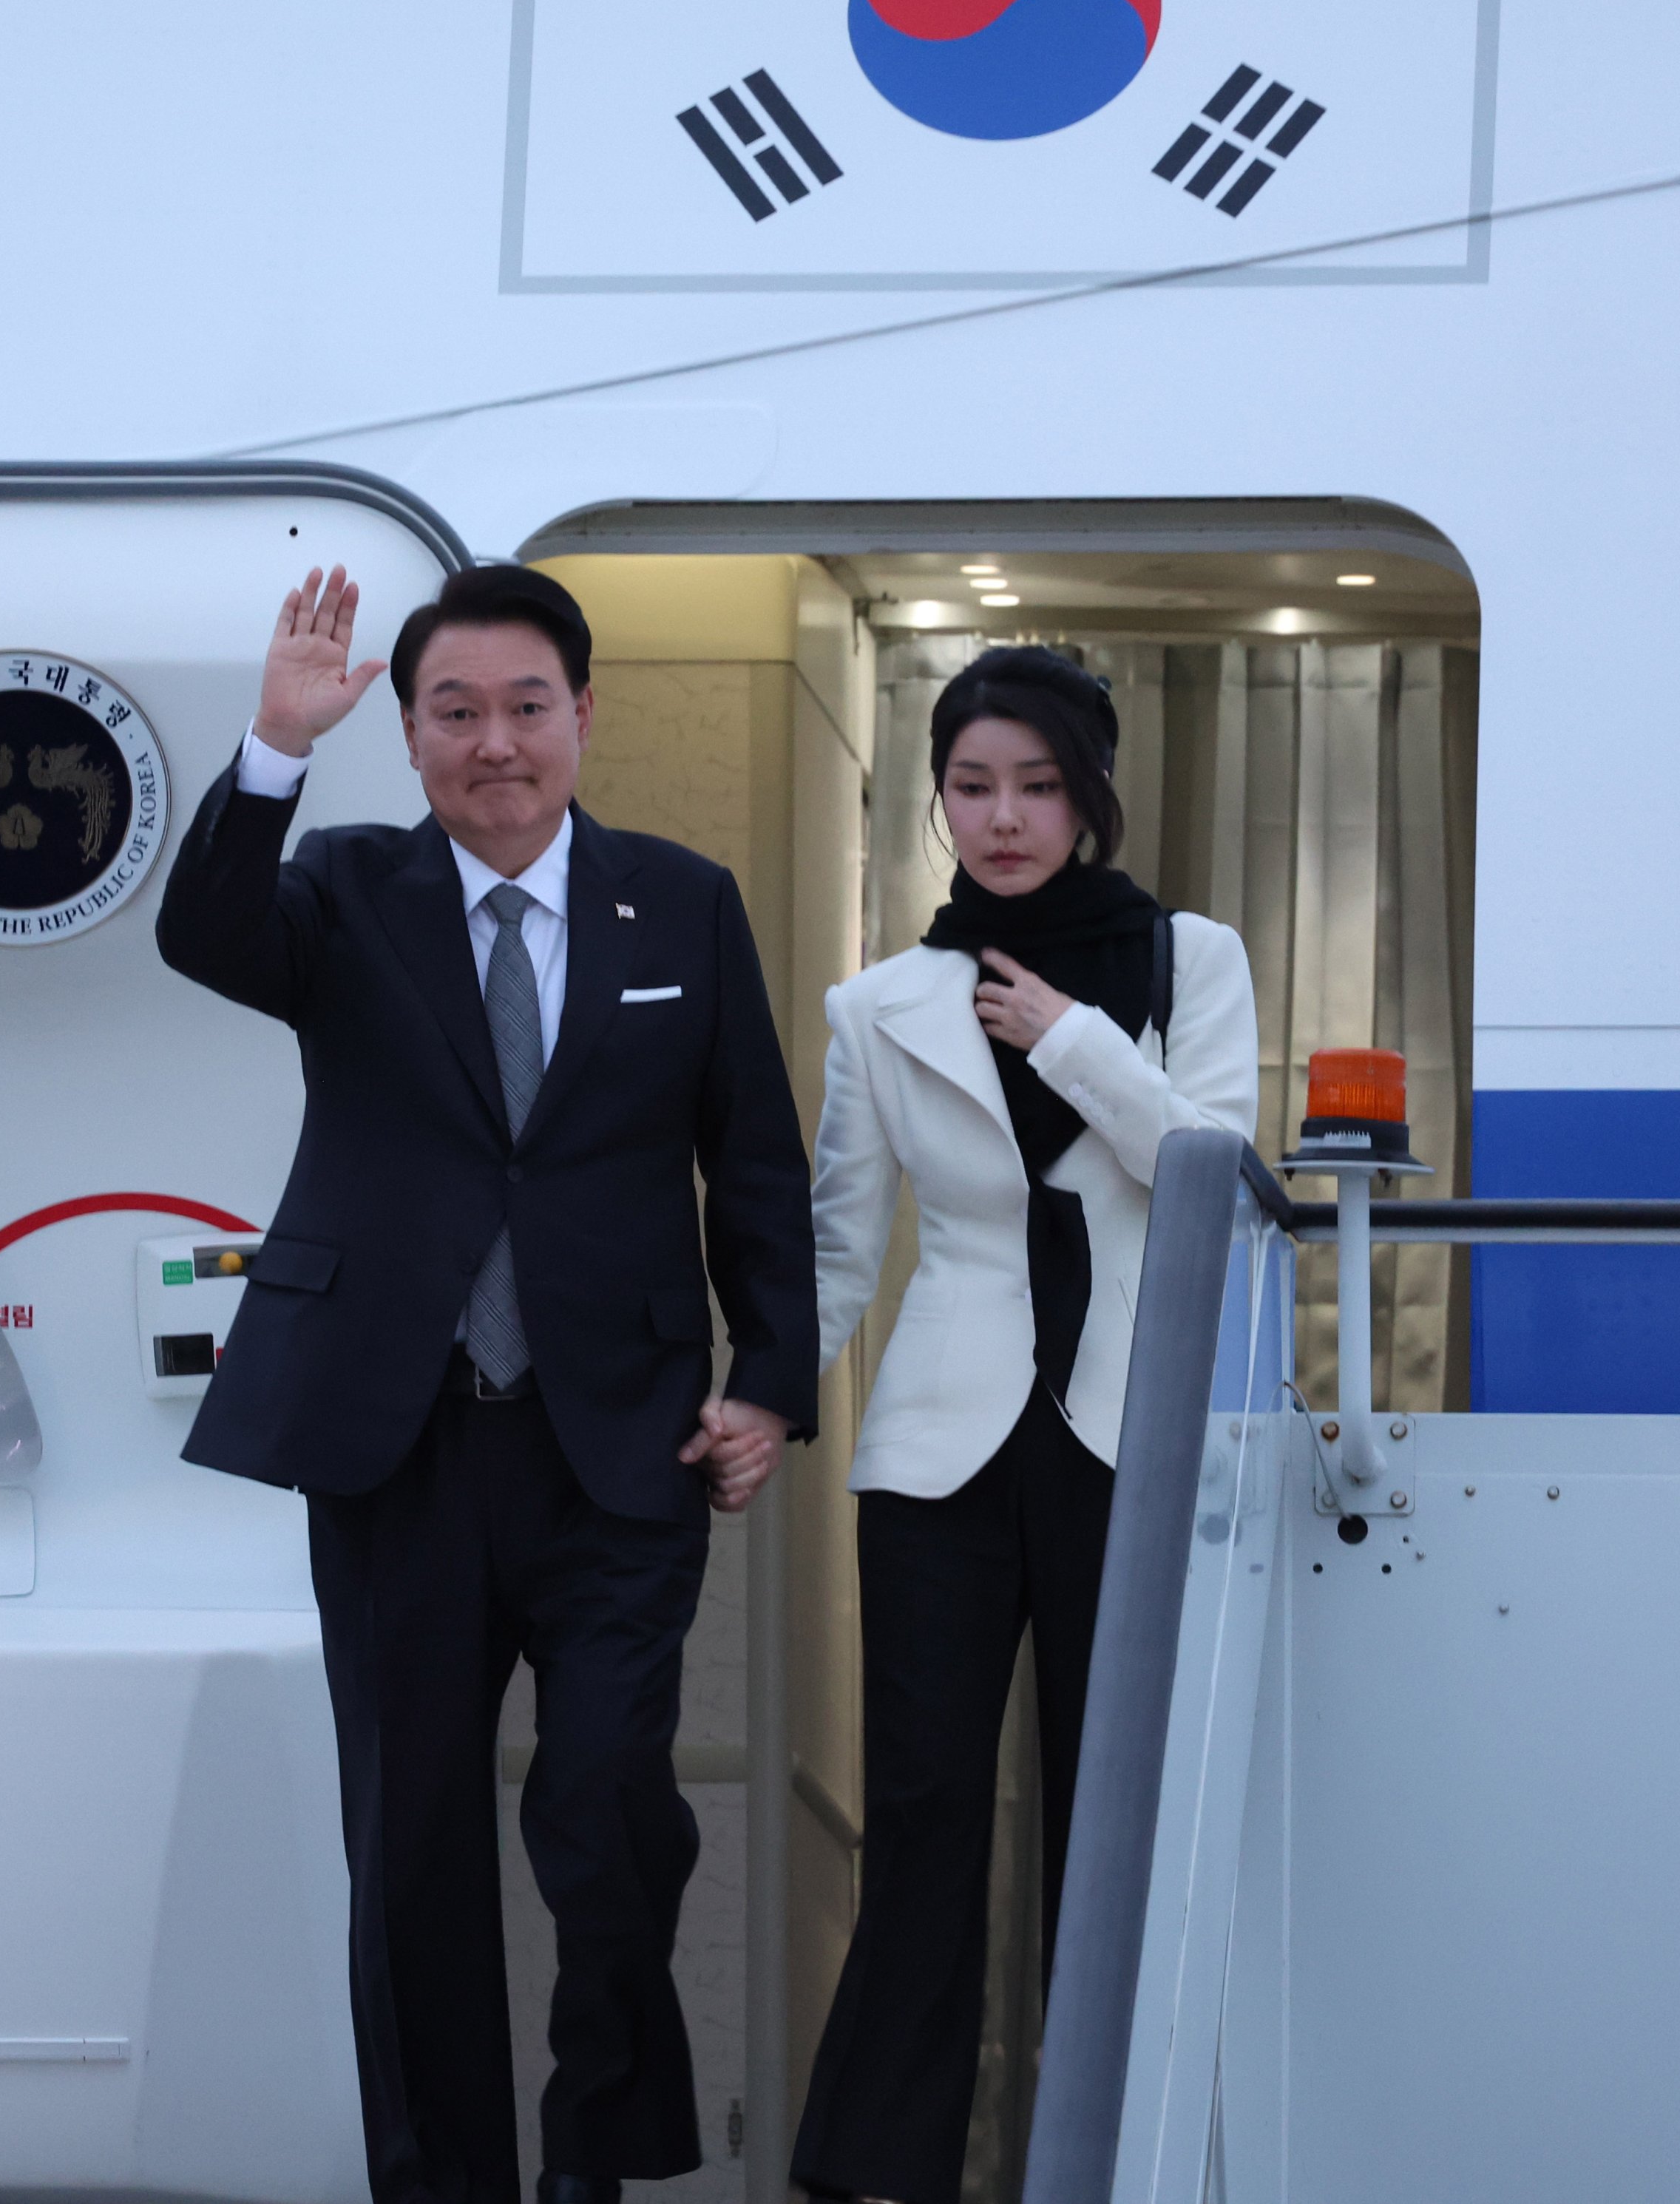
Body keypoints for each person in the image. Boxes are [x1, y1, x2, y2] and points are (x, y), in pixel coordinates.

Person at [158, 562, 818, 2204]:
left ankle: (591, 2160)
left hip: (619, 1443)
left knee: (606, 1815)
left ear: (582, 715)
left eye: (527, 706)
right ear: (407, 728)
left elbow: (750, 1161)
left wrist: (773, 1381)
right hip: (399, 1441)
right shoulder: (344, 888)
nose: (495, 743)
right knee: (413, 1851)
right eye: (453, 711)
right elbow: (204, 936)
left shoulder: (681, 904)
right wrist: (269, 748)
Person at [791, 648, 1260, 2204]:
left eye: (1036, 785)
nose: (1001, 819)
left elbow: (1216, 1181)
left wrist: (1068, 1035)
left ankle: (1121, 2164)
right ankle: (884, 2172)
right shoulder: (881, 1003)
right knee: (921, 1818)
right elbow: (837, 1243)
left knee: (1109, 1817)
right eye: (971, 786)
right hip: (938, 1447)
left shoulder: (1191, 963)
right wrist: (752, 1393)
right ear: (935, 797)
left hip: (1129, 1437)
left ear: (1090, 795)